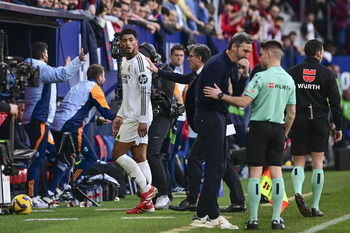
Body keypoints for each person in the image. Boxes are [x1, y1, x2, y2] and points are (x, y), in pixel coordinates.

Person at [204, 40, 296, 230]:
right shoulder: (289, 79)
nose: (259, 58)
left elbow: (243, 103)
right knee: (276, 173)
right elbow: (292, 113)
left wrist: (220, 95)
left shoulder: (260, 77)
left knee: (255, 173)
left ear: (269, 54)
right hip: (279, 128)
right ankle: (276, 219)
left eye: (261, 54)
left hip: (259, 127)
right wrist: (284, 134)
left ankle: (253, 219)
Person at [146, 43, 247, 213]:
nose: (188, 59)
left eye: (191, 56)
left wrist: (242, 77)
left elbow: (228, 93)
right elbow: (181, 78)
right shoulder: (198, 74)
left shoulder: (210, 73)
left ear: (199, 59)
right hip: (212, 124)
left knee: (195, 159)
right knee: (223, 161)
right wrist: (157, 71)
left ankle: (194, 199)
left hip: (215, 124)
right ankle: (237, 201)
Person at [188, 32, 252, 230]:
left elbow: (236, 92)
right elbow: (208, 95)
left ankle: (201, 215)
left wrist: (245, 75)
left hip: (218, 117)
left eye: (249, 51)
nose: (247, 55)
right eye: (245, 50)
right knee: (215, 167)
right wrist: (223, 95)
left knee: (218, 166)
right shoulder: (217, 64)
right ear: (233, 46)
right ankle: (213, 216)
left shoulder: (232, 65)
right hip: (209, 117)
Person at [22, 42, 85, 208]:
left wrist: (64, 67)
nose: (48, 56)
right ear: (43, 54)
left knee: (52, 154)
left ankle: (47, 192)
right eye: (47, 53)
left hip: (35, 119)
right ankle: (32, 197)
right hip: (39, 120)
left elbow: (55, 74)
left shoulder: (30, 67)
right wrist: (78, 61)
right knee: (37, 159)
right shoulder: (40, 67)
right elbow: (62, 75)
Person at [42, 64, 115, 203]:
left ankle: (54, 191)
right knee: (90, 158)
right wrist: (121, 114)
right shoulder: (95, 89)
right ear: (100, 78)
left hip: (57, 125)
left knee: (65, 159)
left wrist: (97, 119)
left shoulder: (79, 86)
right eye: (104, 75)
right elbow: (107, 112)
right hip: (70, 126)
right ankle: (66, 184)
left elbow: (76, 111)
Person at [287, 39, 342, 218]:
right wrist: (338, 126)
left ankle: (297, 192)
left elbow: (285, 97)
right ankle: (315, 206)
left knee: (299, 161)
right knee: (318, 164)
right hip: (319, 120)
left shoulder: (293, 72)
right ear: (319, 53)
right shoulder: (327, 74)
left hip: (299, 119)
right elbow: (335, 102)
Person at [111, 28, 158, 214]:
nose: (127, 43)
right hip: (130, 115)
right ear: (121, 43)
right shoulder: (124, 63)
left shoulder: (140, 62)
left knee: (116, 154)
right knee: (139, 157)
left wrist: (143, 120)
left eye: (131, 39)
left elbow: (146, 92)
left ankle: (147, 191)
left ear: (136, 41)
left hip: (138, 117)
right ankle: (148, 205)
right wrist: (119, 115)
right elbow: (128, 94)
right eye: (124, 40)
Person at [138, 42, 175, 210]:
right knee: (146, 155)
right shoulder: (137, 70)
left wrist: (149, 91)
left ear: (153, 57)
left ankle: (163, 194)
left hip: (161, 116)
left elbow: (166, 96)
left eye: (144, 58)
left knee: (153, 154)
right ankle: (152, 192)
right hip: (144, 117)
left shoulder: (165, 70)